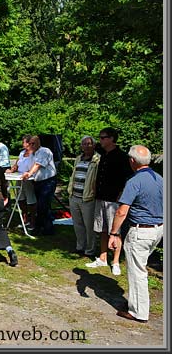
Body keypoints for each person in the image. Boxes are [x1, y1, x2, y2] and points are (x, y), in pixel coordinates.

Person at [108, 145, 162, 323]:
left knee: (137, 272)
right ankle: (139, 306)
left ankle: (139, 311)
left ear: (132, 161)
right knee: (141, 267)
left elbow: (122, 211)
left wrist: (114, 233)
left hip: (140, 231)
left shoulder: (134, 181)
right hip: (158, 229)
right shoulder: (160, 179)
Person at [86, 127, 135, 276]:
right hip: (101, 197)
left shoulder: (121, 157)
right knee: (102, 229)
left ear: (112, 138)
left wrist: (121, 195)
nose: (100, 140)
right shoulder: (103, 155)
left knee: (116, 230)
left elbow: (129, 178)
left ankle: (115, 261)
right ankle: (102, 257)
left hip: (114, 199)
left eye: (103, 137)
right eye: (100, 137)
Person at [67, 136, 100, 257]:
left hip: (87, 198)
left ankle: (90, 249)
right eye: (84, 144)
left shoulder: (97, 160)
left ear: (94, 145)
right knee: (77, 223)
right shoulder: (78, 159)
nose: (86, 146)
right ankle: (80, 246)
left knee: (89, 225)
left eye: (89, 144)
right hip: (74, 195)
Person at [22, 136, 57, 235]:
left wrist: (29, 174)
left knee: (43, 205)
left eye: (33, 143)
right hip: (38, 182)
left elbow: (37, 165)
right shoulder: (32, 153)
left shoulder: (44, 151)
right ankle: (45, 228)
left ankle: (44, 229)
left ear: (39, 143)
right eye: (30, 143)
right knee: (41, 206)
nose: (31, 145)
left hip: (48, 181)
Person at [6, 135, 36, 229]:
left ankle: (33, 221)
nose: (22, 144)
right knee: (20, 198)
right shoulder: (22, 153)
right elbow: (16, 165)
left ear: (28, 143)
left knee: (31, 199)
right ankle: (24, 219)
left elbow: (35, 166)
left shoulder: (34, 154)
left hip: (28, 179)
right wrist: (11, 170)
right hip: (19, 177)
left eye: (23, 142)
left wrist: (28, 173)